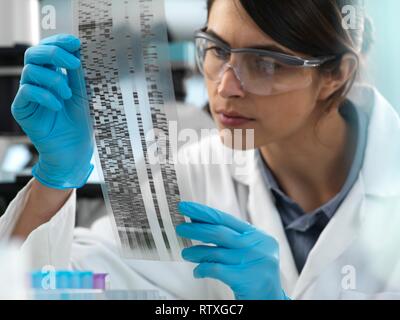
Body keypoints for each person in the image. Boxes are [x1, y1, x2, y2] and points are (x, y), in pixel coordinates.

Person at [1, 0, 400, 299]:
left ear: (335, 75)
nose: (226, 87)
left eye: (265, 63)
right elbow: (45, 287)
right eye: (218, 50)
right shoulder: (184, 176)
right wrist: (56, 174)